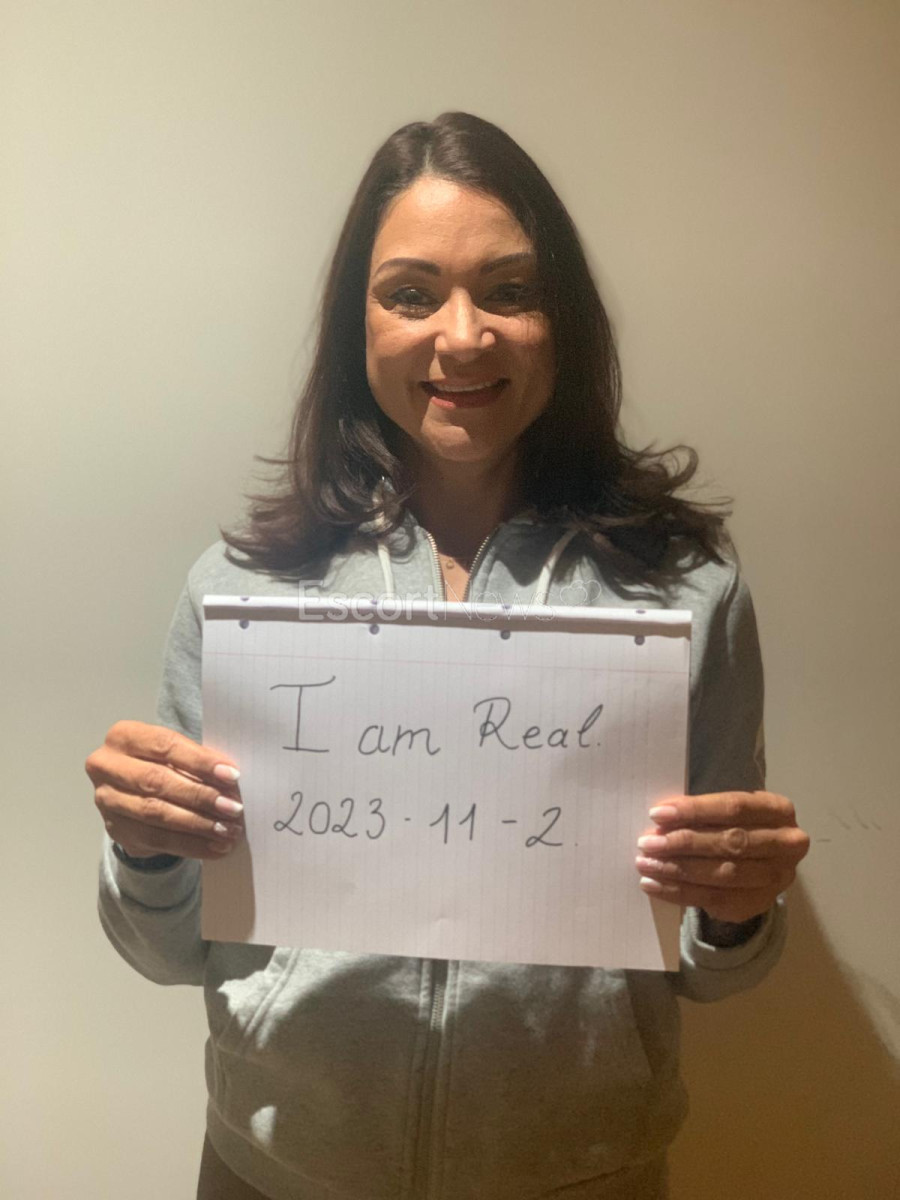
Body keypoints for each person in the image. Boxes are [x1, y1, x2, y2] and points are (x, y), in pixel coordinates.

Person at [87, 112, 810, 1200]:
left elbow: (718, 968)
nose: (463, 337)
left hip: (582, 1174)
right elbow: (167, 949)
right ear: (357, 325)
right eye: (411, 294)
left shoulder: (684, 590)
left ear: (565, 321)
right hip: (277, 1169)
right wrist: (145, 855)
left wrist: (739, 906)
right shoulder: (243, 590)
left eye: (510, 291)